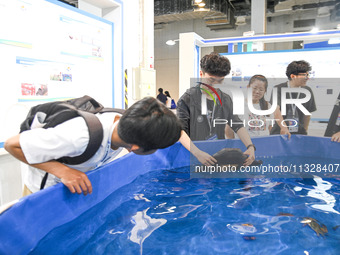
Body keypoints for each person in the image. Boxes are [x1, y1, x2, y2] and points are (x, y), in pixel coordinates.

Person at [4, 97, 182, 196]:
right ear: (135, 147)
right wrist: (62, 171)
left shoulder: (126, 125)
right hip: (41, 190)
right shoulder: (78, 136)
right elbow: (12, 145)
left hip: (71, 185)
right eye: (156, 148)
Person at [177, 52, 255, 165]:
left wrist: (250, 146)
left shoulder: (225, 99)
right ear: (201, 74)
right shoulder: (187, 99)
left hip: (217, 156)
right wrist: (198, 153)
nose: (215, 85)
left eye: (220, 81)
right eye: (211, 80)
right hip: (193, 156)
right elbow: (180, 131)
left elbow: (237, 124)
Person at [226, 75, 291, 138]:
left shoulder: (268, 107)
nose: (257, 92)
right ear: (248, 87)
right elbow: (228, 130)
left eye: (261, 89)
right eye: (254, 88)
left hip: (263, 145)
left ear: (265, 91)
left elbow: (269, 128)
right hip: (243, 146)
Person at [270, 60, 317, 135]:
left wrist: (304, 131)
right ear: (293, 76)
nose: (307, 78)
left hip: (298, 134)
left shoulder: (307, 90)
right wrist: (284, 128)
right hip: (280, 133)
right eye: (305, 75)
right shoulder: (278, 89)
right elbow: (276, 111)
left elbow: (307, 114)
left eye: (308, 75)